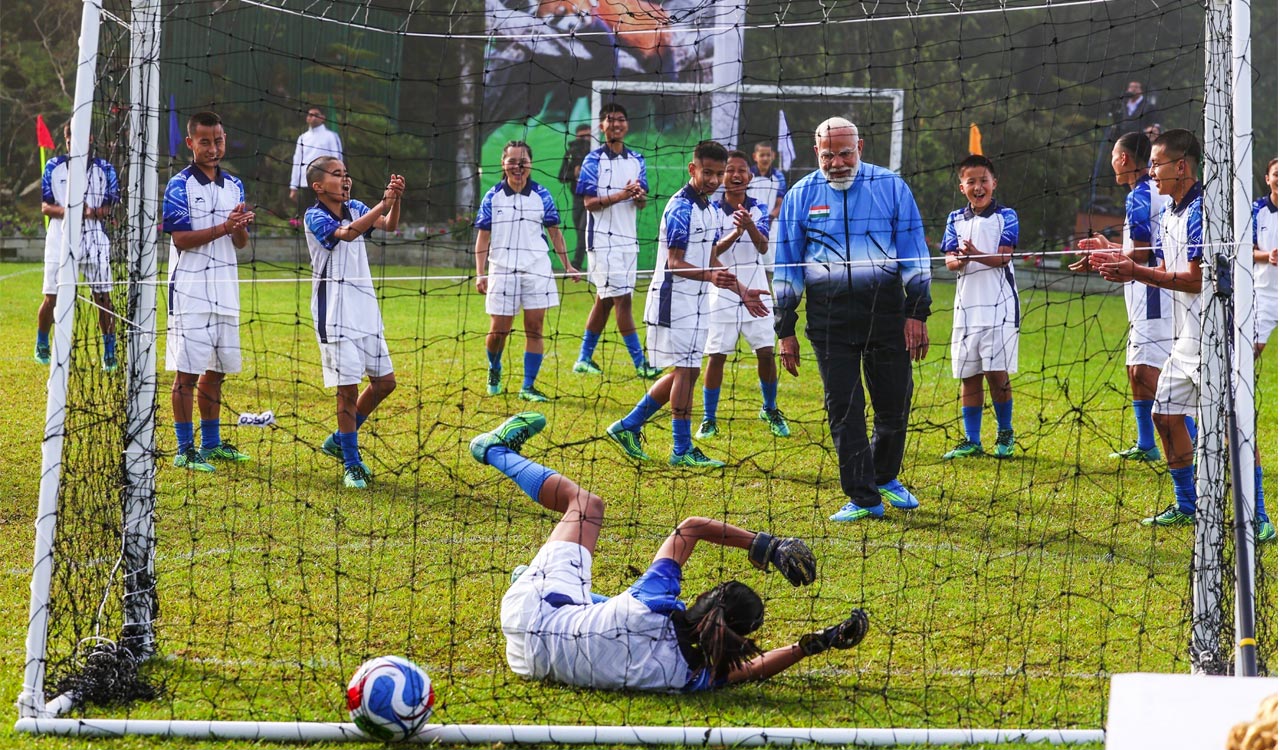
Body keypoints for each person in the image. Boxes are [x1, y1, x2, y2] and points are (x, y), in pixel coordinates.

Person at [469, 411, 869, 692]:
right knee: (600, 617)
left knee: (587, 505)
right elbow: (751, 670)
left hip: (532, 608)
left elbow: (689, 527)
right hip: (527, 661)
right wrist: (813, 644)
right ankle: (541, 579)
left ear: (707, 598)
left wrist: (765, 545)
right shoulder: (690, 675)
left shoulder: (653, 603)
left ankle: (494, 450)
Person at [1090, 129, 1274, 542]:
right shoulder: (1171, 212)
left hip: (1216, 339)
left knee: (1233, 428)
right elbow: (1156, 262)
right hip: (1185, 339)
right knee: (1165, 414)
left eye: (1156, 164)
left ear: (1181, 166)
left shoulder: (1202, 212)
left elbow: (1194, 279)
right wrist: (1111, 255)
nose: (1151, 171)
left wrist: (1134, 271)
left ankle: (1260, 517)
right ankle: (1188, 505)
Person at [773, 117, 931, 522]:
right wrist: (785, 329)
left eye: (845, 153)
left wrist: (916, 313)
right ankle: (863, 497)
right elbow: (787, 265)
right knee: (844, 407)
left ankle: (884, 475)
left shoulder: (891, 187)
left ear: (860, 147)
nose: (837, 163)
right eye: (828, 155)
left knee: (895, 403)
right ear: (816, 153)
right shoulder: (800, 195)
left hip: (887, 315)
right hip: (829, 319)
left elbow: (915, 253)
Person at [606, 141, 769, 468]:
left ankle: (628, 425)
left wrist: (743, 290)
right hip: (673, 302)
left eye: (718, 174)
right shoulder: (681, 208)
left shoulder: (711, 209)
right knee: (686, 371)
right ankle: (680, 449)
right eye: (707, 172)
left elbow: (710, 257)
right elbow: (675, 263)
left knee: (689, 371)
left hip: (697, 302)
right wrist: (710, 276)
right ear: (693, 169)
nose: (714, 180)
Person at [162, 111, 254, 473]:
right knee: (186, 373)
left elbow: (241, 243)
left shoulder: (235, 185)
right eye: (205, 142)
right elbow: (180, 239)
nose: (213, 148)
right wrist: (224, 226)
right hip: (191, 293)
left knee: (217, 371)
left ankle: (211, 444)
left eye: (218, 141)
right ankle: (184, 450)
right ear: (190, 143)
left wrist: (239, 227)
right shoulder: (179, 185)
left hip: (225, 291)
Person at [304, 157, 404, 489]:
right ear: (319, 186)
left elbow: (388, 225)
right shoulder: (315, 216)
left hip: (365, 311)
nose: (345, 179)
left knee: (385, 383)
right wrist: (382, 205)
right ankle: (351, 463)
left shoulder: (356, 206)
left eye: (346, 174)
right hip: (334, 315)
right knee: (347, 389)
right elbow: (347, 234)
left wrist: (394, 201)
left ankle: (339, 439)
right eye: (337, 175)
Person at [1073, 132, 1173, 462]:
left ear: (1125, 158)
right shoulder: (1150, 191)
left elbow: (1141, 255)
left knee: (1148, 372)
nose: (1113, 163)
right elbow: (1142, 249)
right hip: (1144, 294)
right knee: (1134, 370)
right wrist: (1109, 248)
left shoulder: (1140, 195)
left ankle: (1196, 438)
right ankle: (1146, 444)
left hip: (1153, 296)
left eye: (1114, 157)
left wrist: (1104, 258)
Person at [474, 140, 580, 402]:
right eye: (512, 161)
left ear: (531, 164)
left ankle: (528, 386)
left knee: (535, 327)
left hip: (537, 268)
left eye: (523, 161)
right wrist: (480, 273)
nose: (518, 166)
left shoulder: (542, 195)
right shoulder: (492, 196)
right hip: (502, 270)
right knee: (499, 331)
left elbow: (555, 233)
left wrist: (567, 265)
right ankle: (494, 368)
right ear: (503, 163)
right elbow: (483, 238)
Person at [696, 149, 789, 440]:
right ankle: (709, 419)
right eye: (730, 170)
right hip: (721, 291)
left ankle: (770, 408)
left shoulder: (758, 208)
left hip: (756, 289)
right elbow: (710, 252)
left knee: (766, 352)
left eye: (741, 170)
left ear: (749, 176)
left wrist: (748, 226)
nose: (736, 175)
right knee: (717, 356)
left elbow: (762, 247)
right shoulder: (710, 211)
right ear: (722, 176)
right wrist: (735, 232)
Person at [572, 103, 663, 379]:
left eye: (621, 119)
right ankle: (640, 363)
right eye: (610, 120)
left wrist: (638, 197)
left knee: (606, 300)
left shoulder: (637, 159)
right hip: (602, 242)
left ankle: (583, 359)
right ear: (602, 126)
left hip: (628, 242)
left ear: (627, 124)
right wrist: (621, 195)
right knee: (623, 300)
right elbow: (589, 203)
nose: (616, 124)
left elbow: (642, 202)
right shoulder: (592, 160)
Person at [940, 155, 1020, 460]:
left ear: (993, 183)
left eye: (983, 180)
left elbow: (1004, 257)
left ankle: (1005, 433)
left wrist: (975, 254)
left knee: (996, 372)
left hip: (999, 308)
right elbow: (949, 260)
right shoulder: (954, 219)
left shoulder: (1007, 216)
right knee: (969, 373)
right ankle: (972, 440)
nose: (978, 187)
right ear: (962, 187)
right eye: (971, 181)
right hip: (966, 309)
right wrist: (960, 259)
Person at [36, 122, 120, 371]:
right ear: (66, 140)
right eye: (69, 139)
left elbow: (110, 207)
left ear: (90, 137)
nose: (74, 143)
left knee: (103, 297)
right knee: (52, 296)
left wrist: (91, 212)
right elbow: (45, 206)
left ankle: (109, 351)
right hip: (60, 237)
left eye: (79, 137)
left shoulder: (105, 169)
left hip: (94, 237)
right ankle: (42, 343)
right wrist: (70, 211)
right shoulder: (53, 166)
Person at [289, 106, 343, 207]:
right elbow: (297, 162)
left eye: (316, 115)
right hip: (306, 184)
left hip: (326, 183)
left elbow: (337, 160)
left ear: (323, 118)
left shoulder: (331, 136)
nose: (313, 117)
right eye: (310, 115)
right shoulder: (302, 138)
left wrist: (338, 181)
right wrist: (293, 187)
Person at [558, 123, 594, 270]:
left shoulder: (596, 152)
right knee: (580, 231)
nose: (585, 139)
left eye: (588, 136)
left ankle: (576, 264)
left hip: (593, 198)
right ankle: (586, 261)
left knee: (583, 230)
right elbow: (561, 176)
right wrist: (573, 174)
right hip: (577, 199)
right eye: (582, 136)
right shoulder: (571, 153)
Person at [1251, 157, 1278, 355]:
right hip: (1264, 292)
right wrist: (1268, 256)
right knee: (1253, 349)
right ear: (1267, 179)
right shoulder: (1257, 209)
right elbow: (1246, 251)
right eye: (1276, 174)